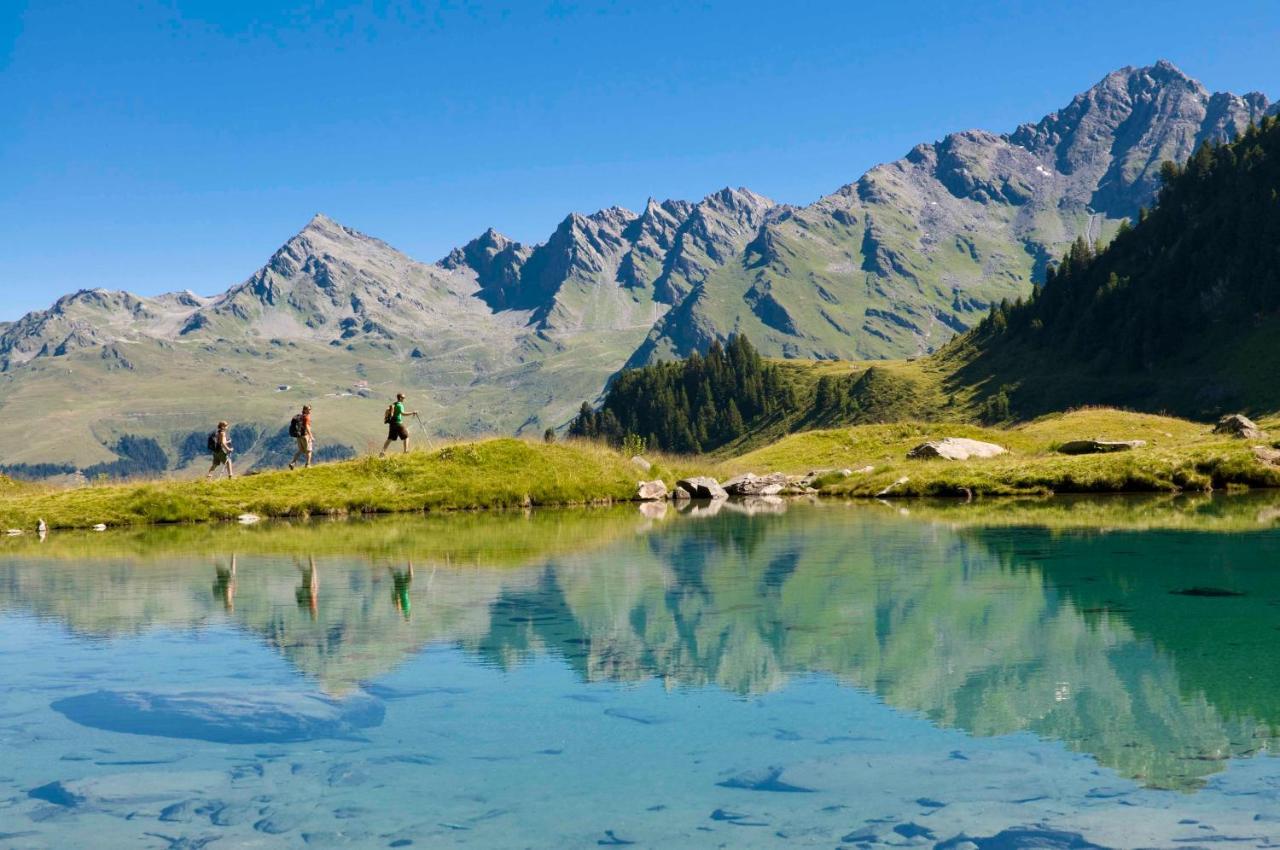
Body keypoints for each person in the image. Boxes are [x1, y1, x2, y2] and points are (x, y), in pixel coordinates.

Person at [380, 392, 419, 457]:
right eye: (403, 398)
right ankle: (406, 451)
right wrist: (412, 412)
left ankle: (382, 453)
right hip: (398, 423)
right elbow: (403, 413)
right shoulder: (400, 405)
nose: (404, 399)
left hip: (392, 424)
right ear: (400, 398)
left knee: (390, 438)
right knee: (406, 436)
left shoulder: (394, 404)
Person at [289, 405, 314, 470]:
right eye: (309, 409)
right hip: (305, 436)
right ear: (305, 409)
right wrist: (311, 436)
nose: (310, 410)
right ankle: (307, 465)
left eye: (310, 409)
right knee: (309, 451)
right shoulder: (306, 417)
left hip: (299, 436)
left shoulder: (300, 416)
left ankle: (293, 463)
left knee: (300, 450)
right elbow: (307, 427)